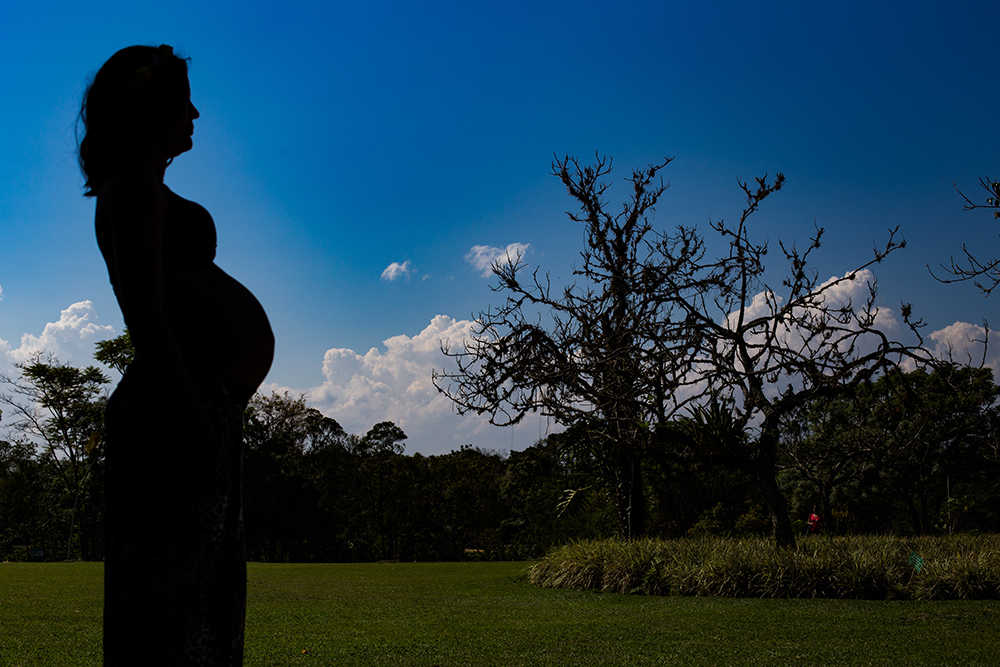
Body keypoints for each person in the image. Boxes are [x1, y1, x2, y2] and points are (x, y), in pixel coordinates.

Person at [79, 45, 274, 666]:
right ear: (146, 109)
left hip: (192, 407)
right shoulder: (131, 189)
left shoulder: (146, 188)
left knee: (199, 594)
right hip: (173, 411)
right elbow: (145, 312)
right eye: (179, 100)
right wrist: (192, 415)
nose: (194, 112)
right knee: (173, 601)